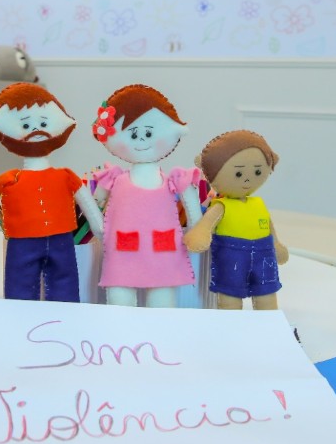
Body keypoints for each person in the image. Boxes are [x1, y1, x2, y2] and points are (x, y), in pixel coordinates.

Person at [0, 83, 102, 302]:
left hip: (60, 239)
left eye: (42, 123)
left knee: (64, 284)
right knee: (20, 287)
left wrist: (99, 228)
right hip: (23, 241)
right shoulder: (9, 179)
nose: (36, 130)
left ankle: (63, 316)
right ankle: (22, 316)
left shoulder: (65, 176)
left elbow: (86, 202)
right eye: (26, 125)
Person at [91, 84, 200, 308]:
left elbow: (194, 215)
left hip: (162, 252)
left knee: (162, 304)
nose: (141, 140)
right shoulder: (113, 177)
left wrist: (197, 232)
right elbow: (95, 203)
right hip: (123, 252)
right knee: (120, 301)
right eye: (133, 134)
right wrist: (98, 227)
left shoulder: (175, 179)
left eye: (149, 133)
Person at [184, 130, 288, 310]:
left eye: (257, 171)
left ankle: (268, 321)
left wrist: (276, 245)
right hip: (232, 257)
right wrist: (199, 235)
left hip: (264, 255)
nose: (247, 178)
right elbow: (205, 225)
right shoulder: (221, 206)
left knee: (267, 293)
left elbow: (268, 227)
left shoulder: (258, 203)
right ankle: (231, 322)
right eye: (238, 173)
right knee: (230, 295)